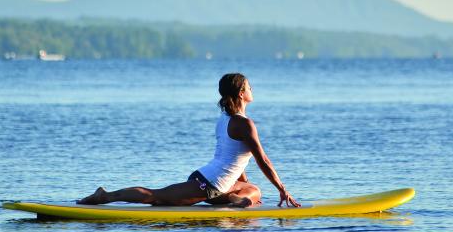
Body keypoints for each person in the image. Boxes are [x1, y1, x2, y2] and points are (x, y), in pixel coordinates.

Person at [77, 73, 300, 208]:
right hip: (209, 186)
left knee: (254, 190)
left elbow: (234, 159)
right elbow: (263, 159)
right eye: (249, 87)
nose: (253, 90)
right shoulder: (244, 123)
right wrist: (282, 189)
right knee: (157, 198)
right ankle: (105, 196)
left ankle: (239, 200)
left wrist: (241, 184)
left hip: (209, 179)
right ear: (241, 93)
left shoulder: (225, 118)